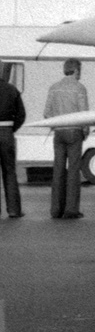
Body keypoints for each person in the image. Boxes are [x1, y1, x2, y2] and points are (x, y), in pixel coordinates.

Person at [43, 59, 89, 219]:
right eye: (80, 70)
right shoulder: (80, 88)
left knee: (58, 170)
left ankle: (56, 210)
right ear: (76, 70)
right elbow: (84, 114)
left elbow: (47, 113)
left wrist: (56, 125)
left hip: (59, 133)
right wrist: (85, 130)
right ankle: (71, 210)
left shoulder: (54, 88)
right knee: (74, 170)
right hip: (75, 132)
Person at [0, 63, 25, 218]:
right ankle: (14, 210)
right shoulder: (11, 89)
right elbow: (21, 115)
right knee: (10, 172)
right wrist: (11, 128)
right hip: (6, 132)